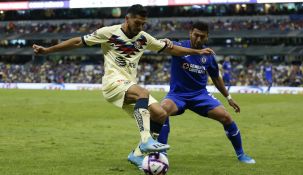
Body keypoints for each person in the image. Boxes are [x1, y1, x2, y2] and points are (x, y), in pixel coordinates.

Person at [32, 4, 215, 169]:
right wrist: (48, 50)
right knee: (143, 92)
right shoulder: (108, 33)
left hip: (129, 86)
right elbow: (78, 41)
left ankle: (136, 155)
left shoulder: (143, 38)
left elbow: (173, 49)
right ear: (127, 19)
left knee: (160, 114)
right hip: (113, 83)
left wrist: (196, 51)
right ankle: (146, 141)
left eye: (143, 23)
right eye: (137, 22)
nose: (140, 27)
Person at [157, 21, 256, 164]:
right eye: (196, 35)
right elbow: (161, 45)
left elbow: (216, 77)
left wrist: (229, 97)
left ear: (207, 37)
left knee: (226, 117)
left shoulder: (209, 56)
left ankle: (241, 154)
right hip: (177, 95)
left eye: (202, 37)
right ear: (190, 33)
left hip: (200, 95)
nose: (198, 39)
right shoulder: (179, 46)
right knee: (162, 111)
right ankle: (162, 154)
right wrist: (164, 41)